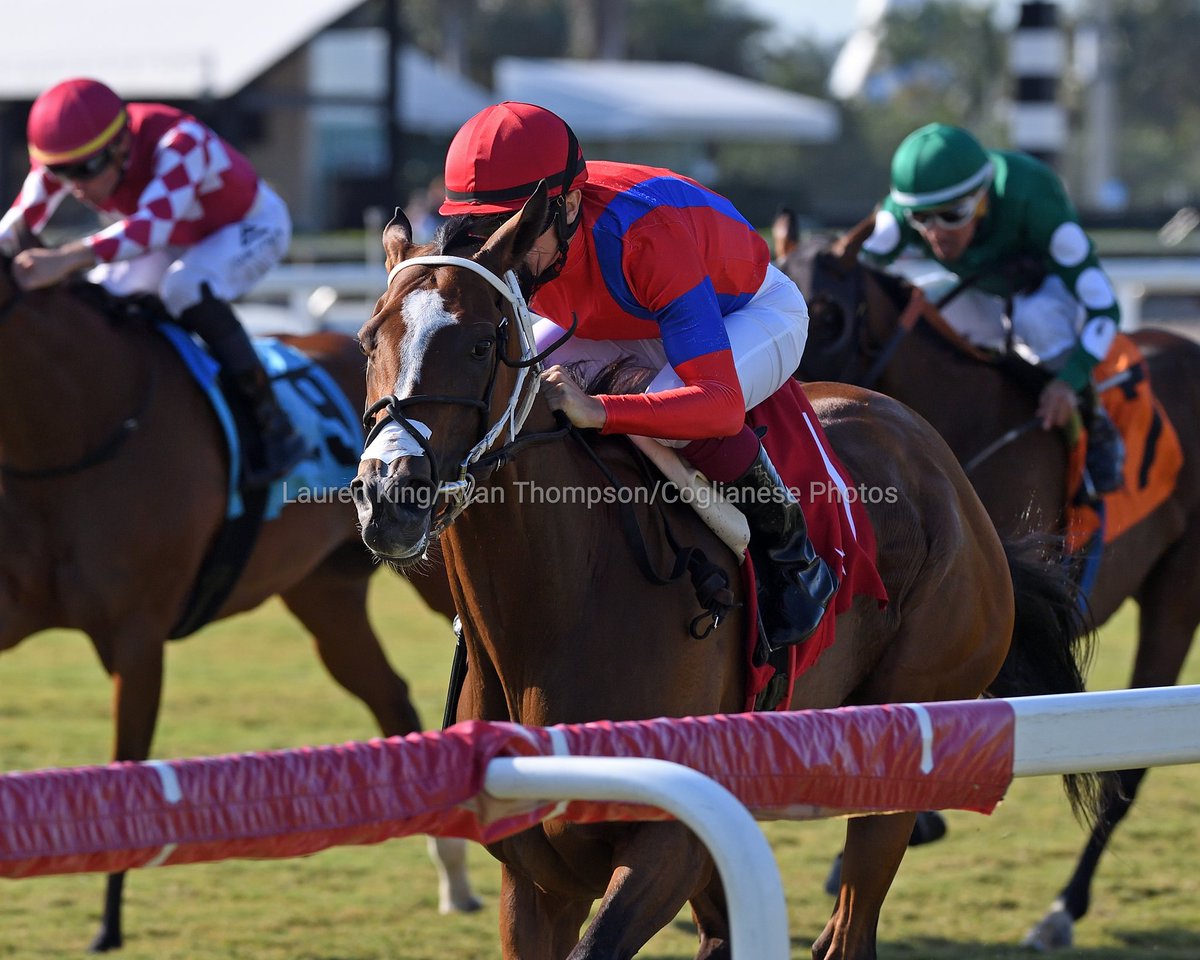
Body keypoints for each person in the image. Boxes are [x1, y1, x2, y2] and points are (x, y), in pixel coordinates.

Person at [438, 101, 836, 649]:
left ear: (570, 205)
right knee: (513, 391)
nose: (501, 252)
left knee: (671, 409)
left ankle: (792, 557)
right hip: (617, 309)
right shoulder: (519, 238)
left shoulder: (644, 237)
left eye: (520, 232)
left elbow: (718, 404)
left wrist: (599, 410)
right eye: (484, 231)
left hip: (746, 309)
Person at [0, 77, 305, 488]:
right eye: (60, 173)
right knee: (104, 299)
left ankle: (272, 425)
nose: (78, 187)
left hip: (248, 226)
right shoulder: (74, 154)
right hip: (178, 236)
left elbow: (149, 229)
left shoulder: (180, 143)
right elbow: (14, 226)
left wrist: (63, 259)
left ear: (121, 144)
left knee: (184, 288)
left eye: (87, 170)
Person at [854, 122, 1125, 494]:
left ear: (983, 197)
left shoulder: (1032, 194)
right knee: (918, 307)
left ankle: (1095, 422)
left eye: (952, 216)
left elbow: (1105, 308)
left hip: (1048, 296)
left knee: (1036, 318)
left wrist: (1069, 380)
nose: (936, 233)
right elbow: (854, 268)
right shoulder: (910, 205)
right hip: (980, 293)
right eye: (922, 220)